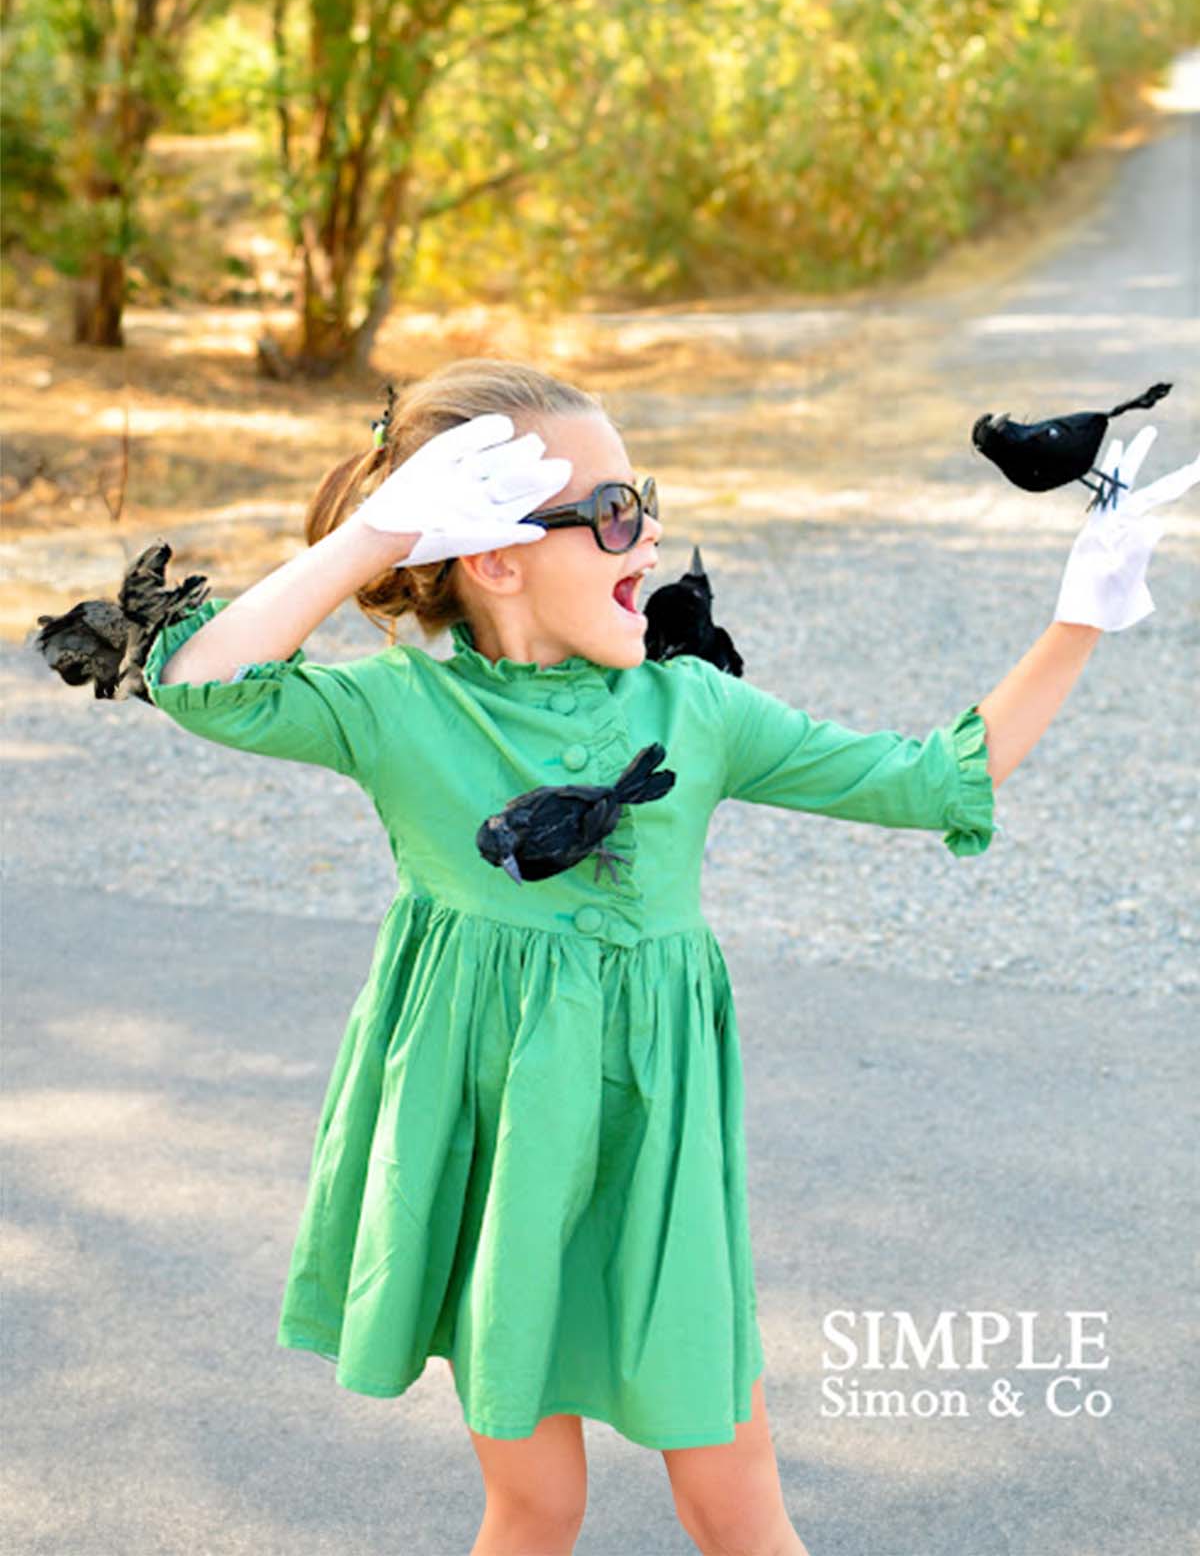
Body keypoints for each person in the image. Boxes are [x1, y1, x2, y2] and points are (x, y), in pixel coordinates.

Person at [144, 358, 1197, 1556]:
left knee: (738, 1504)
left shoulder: (693, 710)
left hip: (662, 1154)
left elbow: (930, 778)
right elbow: (198, 681)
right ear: (491, 552)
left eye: (642, 498)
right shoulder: (402, 714)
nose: (646, 536)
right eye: (611, 516)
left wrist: (1081, 615)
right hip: (502, 1160)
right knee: (538, 1508)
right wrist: (378, 533)